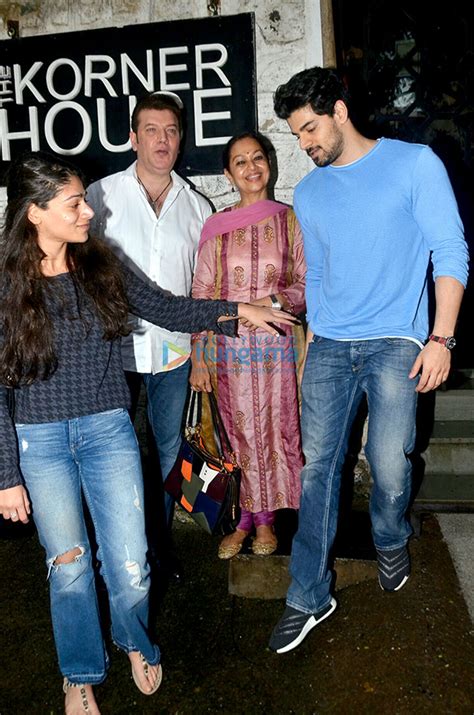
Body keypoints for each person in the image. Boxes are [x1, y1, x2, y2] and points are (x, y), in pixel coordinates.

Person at [0, 152, 298, 713]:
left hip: (107, 430)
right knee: (68, 566)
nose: (89, 210)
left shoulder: (99, 264)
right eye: (74, 203)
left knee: (131, 564)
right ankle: (80, 671)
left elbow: (168, 306)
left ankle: (134, 640)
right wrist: (4, 475)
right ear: (35, 213)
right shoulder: (4, 283)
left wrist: (238, 310)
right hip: (37, 442)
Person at [268, 67, 469, 654]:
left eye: (309, 129)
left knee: (389, 462)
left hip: (395, 342)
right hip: (330, 346)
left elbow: (449, 248)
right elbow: (322, 274)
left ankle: (389, 537)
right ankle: (308, 594)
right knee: (317, 470)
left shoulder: (413, 164)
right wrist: (312, 349)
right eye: (297, 135)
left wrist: (443, 337)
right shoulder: (308, 193)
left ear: (338, 110)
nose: (304, 146)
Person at [87, 91, 211, 577]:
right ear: (133, 138)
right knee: (111, 454)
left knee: (169, 453)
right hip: (112, 351)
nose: (162, 140)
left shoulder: (197, 207)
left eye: (172, 131)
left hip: (175, 355)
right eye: (152, 131)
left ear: (181, 140)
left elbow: (203, 289)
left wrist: (201, 347)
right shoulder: (99, 196)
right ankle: (115, 554)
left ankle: (159, 550)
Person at [190, 131, 306, 559]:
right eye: (241, 162)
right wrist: (199, 356)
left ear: (269, 164)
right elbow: (201, 294)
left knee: (274, 433)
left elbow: (307, 283)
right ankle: (241, 521)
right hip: (229, 349)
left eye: (258, 157)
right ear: (228, 173)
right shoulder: (216, 227)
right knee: (235, 434)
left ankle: (267, 523)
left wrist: (268, 302)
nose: (252, 167)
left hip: (279, 349)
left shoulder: (290, 220)